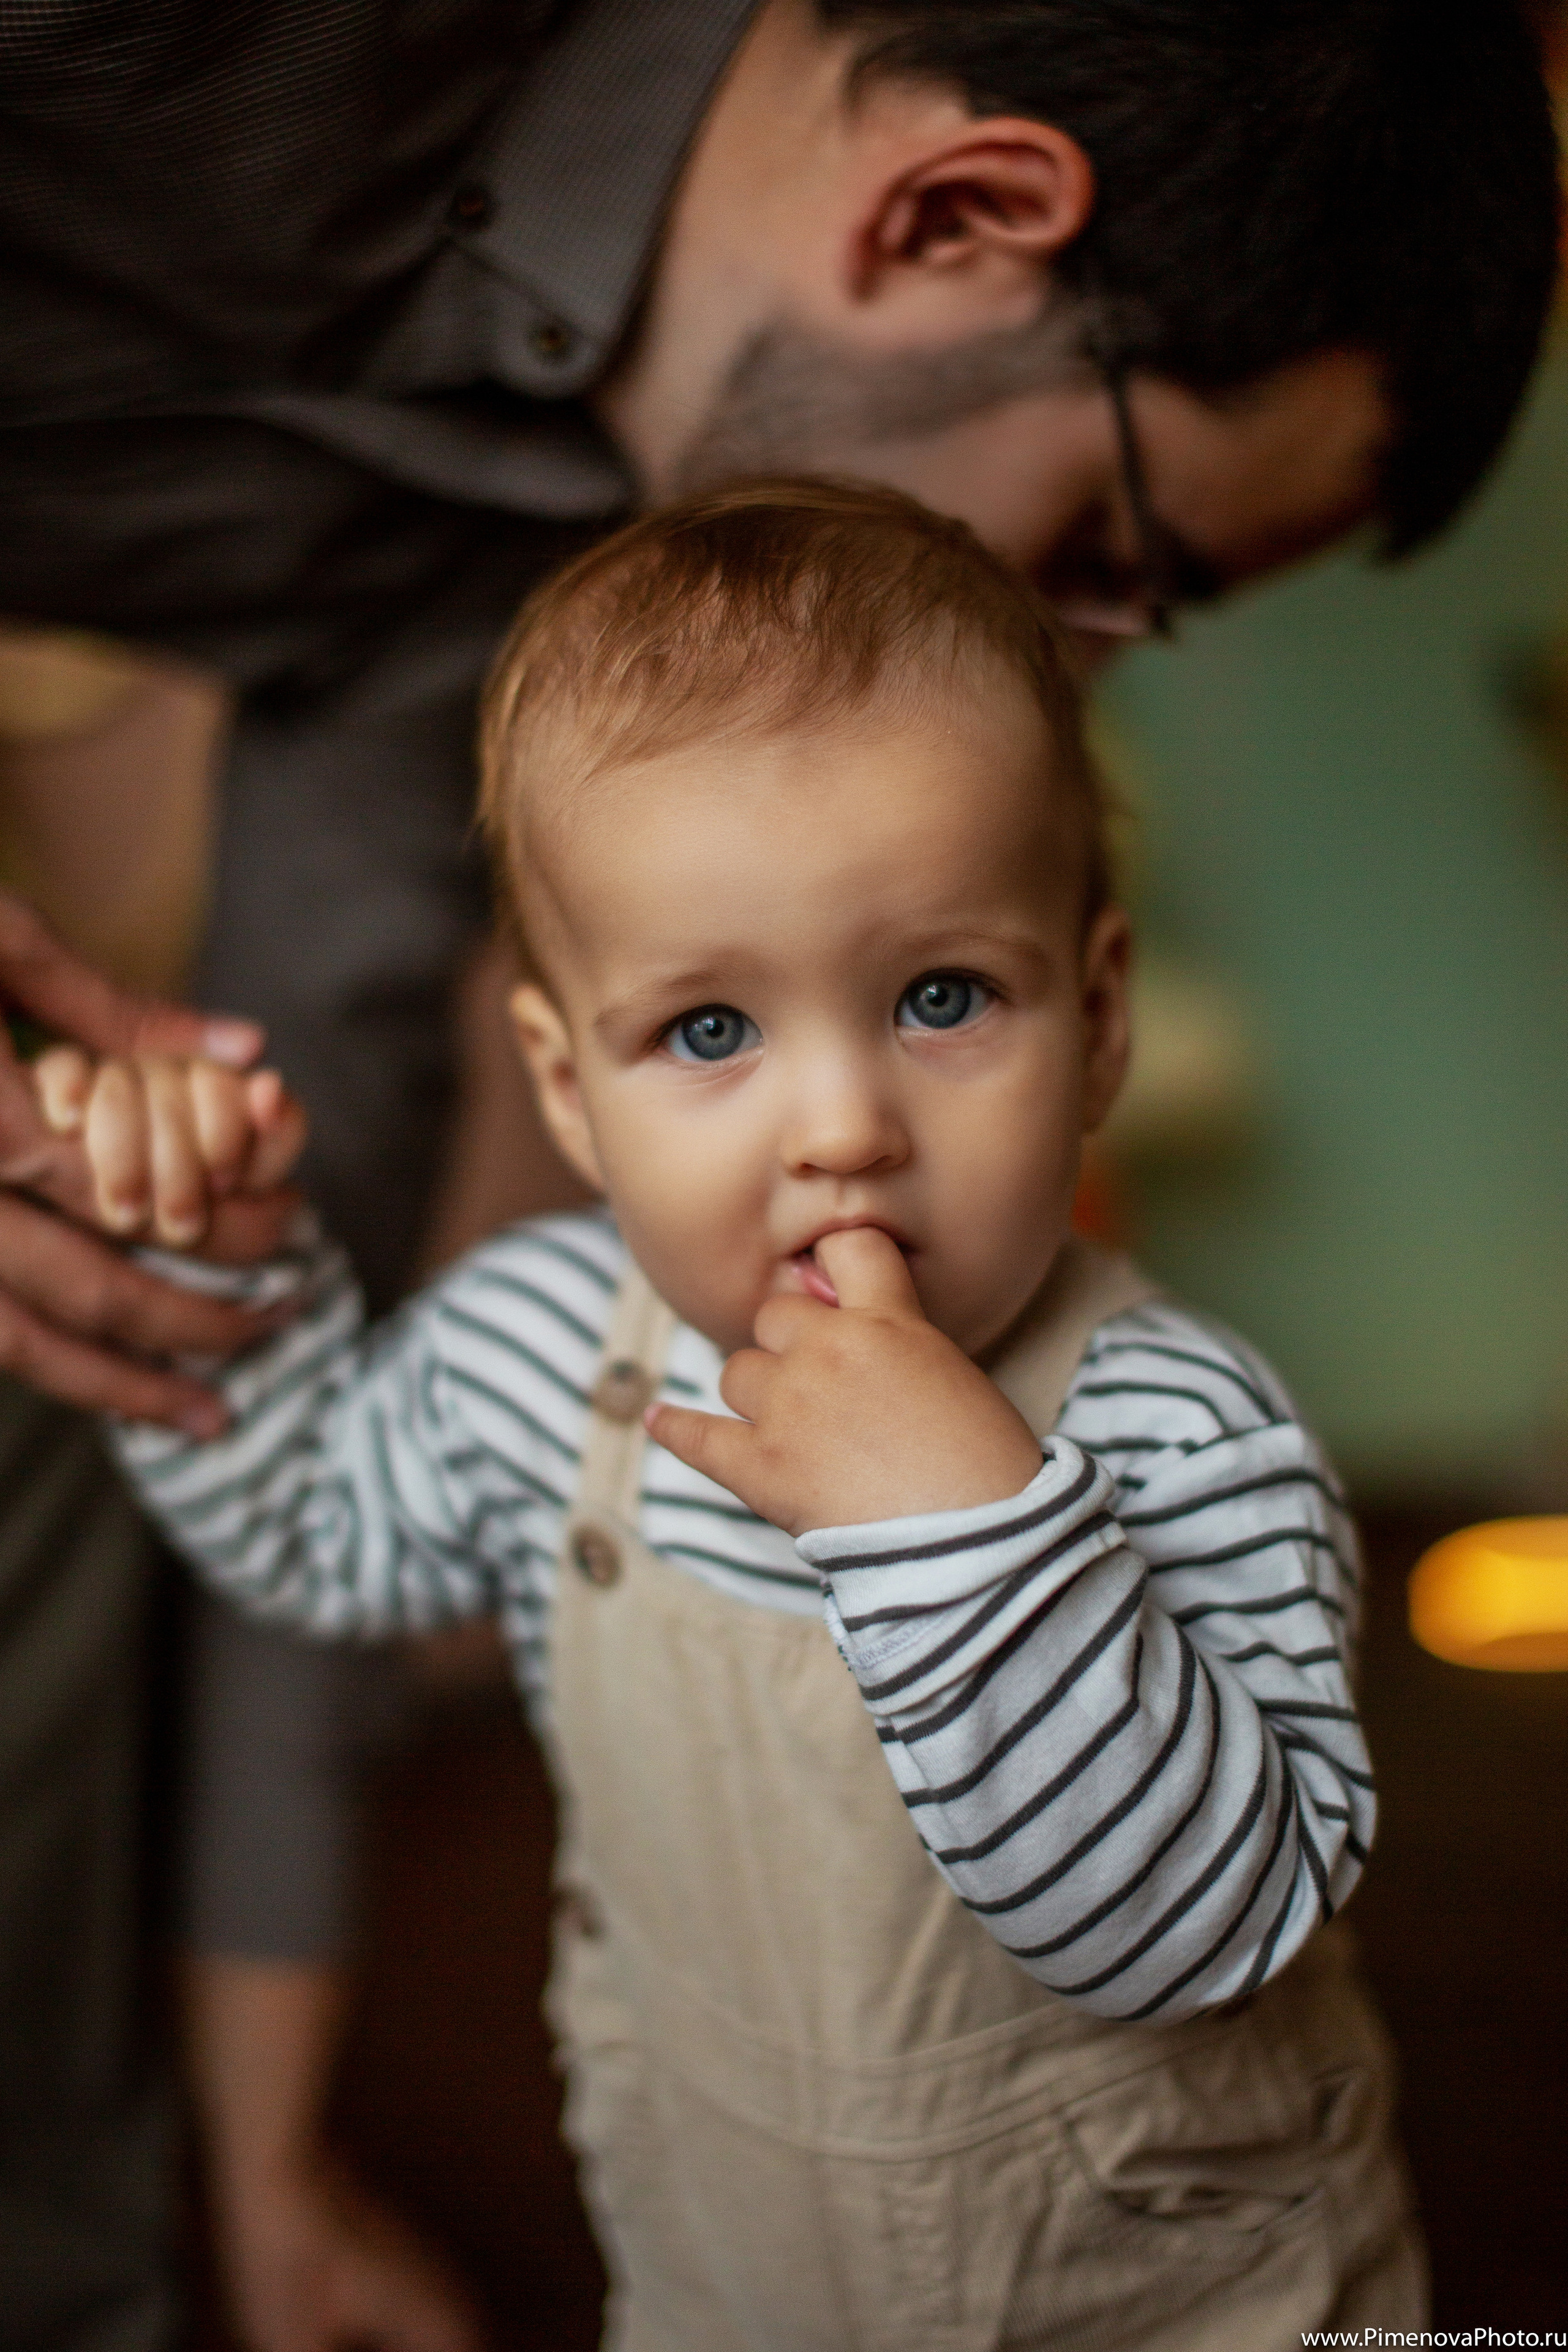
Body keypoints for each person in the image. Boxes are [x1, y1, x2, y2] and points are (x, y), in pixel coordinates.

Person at [0, 2, 1556, 2342]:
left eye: (943, 994)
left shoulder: (1173, 1432)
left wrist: (982, 1542)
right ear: (957, 215)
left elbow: (1210, 1917)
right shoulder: (554, 1354)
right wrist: (240, 1283)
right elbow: (317, 1507)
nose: (836, 1121)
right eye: (1104, 545)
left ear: (1097, 1010)